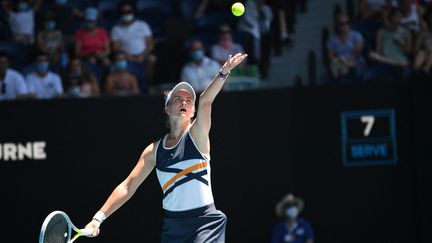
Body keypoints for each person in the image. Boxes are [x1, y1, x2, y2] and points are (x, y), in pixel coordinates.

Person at [83, 53, 248, 242]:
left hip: (205, 223)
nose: (184, 102)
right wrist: (98, 218)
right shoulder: (153, 151)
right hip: (174, 226)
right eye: (178, 99)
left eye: (189, 100)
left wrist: (223, 72)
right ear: (167, 109)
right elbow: (128, 187)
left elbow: (206, 101)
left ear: (194, 112)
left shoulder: (198, 135)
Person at [111, 1, 156, 81]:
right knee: (120, 60)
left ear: (133, 12)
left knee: (152, 59)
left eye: (129, 11)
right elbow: (115, 47)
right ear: (120, 13)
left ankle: (149, 83)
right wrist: (128, 56)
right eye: (124, 12)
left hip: (143, 55)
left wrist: (143, 55)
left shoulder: (143, 25)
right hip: (126, 56)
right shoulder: (116, 29)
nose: (126, 14)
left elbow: (150, 44)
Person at [326, 14, 366, 82]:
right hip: (340, 62)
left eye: (347, 22)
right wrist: (342, 62)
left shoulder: (357, 35)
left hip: (355, 61)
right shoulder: (332, 39)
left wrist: (348, 62)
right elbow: (330, 56)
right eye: (341, 23)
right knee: (335, 68)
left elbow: (357, 53)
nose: (345, 25)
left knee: (351, 66)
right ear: (337, 25)